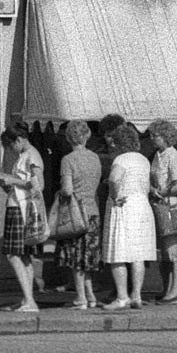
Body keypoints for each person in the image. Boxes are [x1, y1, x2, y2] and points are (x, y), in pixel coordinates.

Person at [0, 122, 44, 312]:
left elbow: (39, 185)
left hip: (21, 208)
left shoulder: (32, 155)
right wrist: (10, 185)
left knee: (13, 254)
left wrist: (13, 181)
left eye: (12, 145)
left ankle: (29, 300)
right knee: (24, 256)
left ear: (19, 140)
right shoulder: (25, 155)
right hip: (19, 205)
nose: (12, 149)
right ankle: (26, 299)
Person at [102, 124, 156, 310]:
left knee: (118, 253)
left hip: (124, 206)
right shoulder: (143, 160)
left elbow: (114, 179)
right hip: (142, 205)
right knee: (138, 254)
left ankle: (122, 297)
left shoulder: (121, 159)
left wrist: (114, 195)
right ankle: (137, 295)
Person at [55, 119, 102, 311]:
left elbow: (67, 189)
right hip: (93, 210)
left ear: (68, 138)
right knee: (87, 258)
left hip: (76, 213)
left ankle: (80, 297)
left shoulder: (68, 160)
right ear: (87, 136)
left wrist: (58, 194)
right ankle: (90, 295)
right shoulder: (95, 158)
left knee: (75, 258)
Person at [146, 119, 177, 304]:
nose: (151, 138)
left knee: (176, 250)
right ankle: (166, 289)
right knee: (165, 252)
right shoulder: (157, 155)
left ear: (164, 137)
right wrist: (152, 189)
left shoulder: (173, 156)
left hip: (172, 205)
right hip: (160, 205)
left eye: (154, 135)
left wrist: (161, 192)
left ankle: (175, 291)